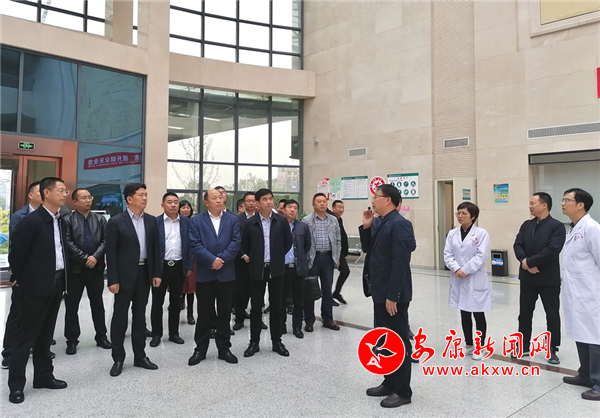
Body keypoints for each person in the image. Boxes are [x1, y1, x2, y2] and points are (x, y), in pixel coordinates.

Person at [7, 177, 69, 404]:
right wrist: (23, 279)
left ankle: (43, 376)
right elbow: (17, 254)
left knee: (45, 335)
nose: (65, 194)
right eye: (61, 190)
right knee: (25, 337)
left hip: (56, 283)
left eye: (66, 190)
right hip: (34, 287)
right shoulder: (31, 221)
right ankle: (16, 385)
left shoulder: (61, 221)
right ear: (47, 193)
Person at [359, 184, 413, 408]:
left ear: (388, 200)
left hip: (392, 295)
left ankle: (402, 391)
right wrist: (367, 226)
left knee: (398, 341)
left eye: (376, 196)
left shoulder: (400, 224)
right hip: (380, 292)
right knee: (384, 339)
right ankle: (389, 381)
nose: (373, 200)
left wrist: (394, 295)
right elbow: (369, 250)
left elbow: (400, 263)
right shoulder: (383, 222)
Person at [106, 183, 162, 377]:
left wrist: (156, 273)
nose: (145, 198)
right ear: (129, 199)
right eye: (141, 195)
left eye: (146, 194)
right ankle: (118, 358)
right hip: (123, 276)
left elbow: (156, 249)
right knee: (120, 317)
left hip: (144, 273)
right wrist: (112, 279)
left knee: (139, 316)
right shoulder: (116, 222)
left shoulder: (151, 221)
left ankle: (140, 356)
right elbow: (111, 253)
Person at [188, 189, 241, 366]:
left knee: (225, 313)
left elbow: (236, 242)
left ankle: (224, 348)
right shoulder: (196, 220)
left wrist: (221, 260)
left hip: (226, 273)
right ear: (206, 202)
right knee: (204, 313)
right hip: (205, 273)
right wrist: (211, 260)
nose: (219, 200)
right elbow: (194, 244)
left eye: (220, 197)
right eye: (214, 198)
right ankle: (200, 349)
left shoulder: (232, 219)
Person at [513, 192, 565, 364]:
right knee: (524, 313)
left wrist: (530, 261)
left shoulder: (557, 226)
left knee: (552, 314)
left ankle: (552, 348)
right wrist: (525, 261)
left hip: (548, 278)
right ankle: (523, 345)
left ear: (544, 205)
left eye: (532, 203)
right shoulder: (526, 225)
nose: (530, 206)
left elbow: (552, 249)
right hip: (527, 278)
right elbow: (517, 244)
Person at [241, 188, 292, 358]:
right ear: (257, 203)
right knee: (256, 308)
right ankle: (254, 342)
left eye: (271, 198)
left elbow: (287, 242)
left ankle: (277, 341)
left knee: (276, 307)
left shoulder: (281, 221)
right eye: (264, 199)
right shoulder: (250, 223)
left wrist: (277, 257)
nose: (269, 201)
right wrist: (254, 258)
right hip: (257, 269)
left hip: (276, 269)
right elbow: (244, 244)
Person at [560, 188, 600, 401]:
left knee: (595, 337)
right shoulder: (574, 228)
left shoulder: (592, 228)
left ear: (580, 205)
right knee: (581, 333)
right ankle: (585, 374)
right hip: (576, 293)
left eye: (567, 200)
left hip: (591, 294)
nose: (563, 203)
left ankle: (599, 382)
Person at [63, 188, 112, 355]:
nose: (88, 200)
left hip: (95, 269)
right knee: (72, 307)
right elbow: (67, 242)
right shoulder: (67, 219)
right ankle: (71, 340)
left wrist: (95, 257)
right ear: (75, 202)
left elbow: (106, 240)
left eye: (89, 197)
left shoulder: (100, 219)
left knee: (98, 305)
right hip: (75, 270)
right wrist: (85, 258)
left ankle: (101, 336)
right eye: (83, 198)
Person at [443, 202, 492, 361]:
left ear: (473, 216)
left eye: (464, 213)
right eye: (458, 213)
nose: (460, 216)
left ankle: (481, 346)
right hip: (458, 277)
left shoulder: (481, 233)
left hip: (475, 277)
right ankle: (469, 344)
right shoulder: (452, 234)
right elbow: (447, 254)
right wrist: (457, 269)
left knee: (478, 313)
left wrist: (465, 270)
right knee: (464, 312)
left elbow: (481, 256)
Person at [2, 181, 43, 369]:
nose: (43, 195)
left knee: (40, 313)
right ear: (30, 195)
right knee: (17, 313)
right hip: (25, 274)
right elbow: (18, 248)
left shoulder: (51, 216)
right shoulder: (20, 216)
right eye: (39, 192)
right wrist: (18, 274)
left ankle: (36, 347)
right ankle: (8, 352)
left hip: (44, 274)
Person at [149, 193, 193, 348]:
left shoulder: (186, 222)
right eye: (169, 202)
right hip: (161, 268)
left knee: (175, 302)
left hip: (179, 266)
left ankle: (174, 333)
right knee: (157, 302)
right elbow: (151, 248)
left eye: (175, 202)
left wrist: (189, 266)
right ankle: (156, 334)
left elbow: (191, 245)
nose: (173, 205)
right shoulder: (155, 222)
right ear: (163, 205)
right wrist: (154, 271)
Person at [302, 193, 341, 332]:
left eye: (324, 201)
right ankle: (309, 320)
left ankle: (328, 319)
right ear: (313, 204)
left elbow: (338, 240)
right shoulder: (306, 220)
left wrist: (337, 257)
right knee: (310, 291)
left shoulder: (333, 220)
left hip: (328, 259)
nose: (322, 204)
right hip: (313, 259)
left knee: (327, 290)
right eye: (318, 201)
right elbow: (303, 241)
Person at [281, 199, 311, 338]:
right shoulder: (278, 226)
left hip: (298, 268)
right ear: (284, 209)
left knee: (298, 300)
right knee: (280, 300)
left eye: (295, 208)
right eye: (289, 207)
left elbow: (307, 245)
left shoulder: (303, 227)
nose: (292, 210)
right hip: (282, 268)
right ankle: (281, 326)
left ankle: (297, 327)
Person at [178, 200, 196, 324]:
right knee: (179, 286)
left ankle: (190, 314)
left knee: (190, 287)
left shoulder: (193, 222)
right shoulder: (176, 222)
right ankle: (178, 305)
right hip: (178, 259)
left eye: (187, 207)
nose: (185, 210)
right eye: (183, 207)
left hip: (192, 259)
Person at [331, 200, 350, 306]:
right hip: (333, 252)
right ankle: (330, 296)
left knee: (345, 271)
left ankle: (336, 293)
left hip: (340, 251)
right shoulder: (331, 219)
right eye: (339, 207)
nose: (341, 209)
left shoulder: (339, 219)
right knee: (329, 275)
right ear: (333, 208)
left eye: (342, 207)